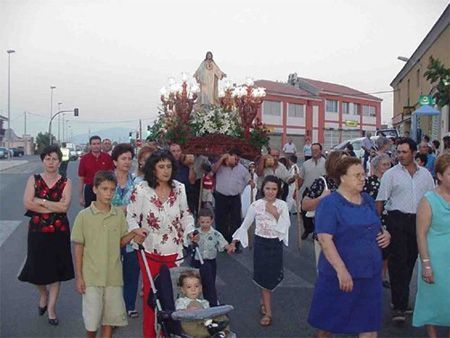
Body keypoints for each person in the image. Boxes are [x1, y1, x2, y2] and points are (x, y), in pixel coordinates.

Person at [308, 157, 391, 337]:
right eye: (357, 175)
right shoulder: (330, 204)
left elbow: (376, 226)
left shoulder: (368, 200)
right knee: (327, 326)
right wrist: (341, 270)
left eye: (363, 174)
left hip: (369, 274)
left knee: (369, 327)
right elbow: (325, 239)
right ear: (342, 178)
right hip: (340, 276)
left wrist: (385, 234)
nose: (363, 178)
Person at [126, 150, 195, 338]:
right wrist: (136, 230)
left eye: (169, 166)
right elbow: (131, 216)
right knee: (152, 298)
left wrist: (191, 232)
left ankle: (170, 334)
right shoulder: (141, 189)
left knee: (173, 296)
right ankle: (149, 334)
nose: (166, 171)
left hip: (174, 248)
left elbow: (186, 215)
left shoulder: (179, 188)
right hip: (149, 249)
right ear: (153, 169)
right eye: (161, 167)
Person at [71, 171, 147, 338]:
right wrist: (79, 277)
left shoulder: (118, 214)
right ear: (95, 189)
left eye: (112, 190)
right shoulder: (83, 216)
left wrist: (134, 233)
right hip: (92, 277)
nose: (108, 193)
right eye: (104, 189)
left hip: (113, 277)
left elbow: (120, 241)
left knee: (109, 321)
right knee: (92, 323)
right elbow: (78, 247)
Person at [376, 137, 435, 323]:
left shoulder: (425, 175)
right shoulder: (391, 174)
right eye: (398, 152)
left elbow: (431, 198)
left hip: (417, 221)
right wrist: (381, 225)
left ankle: (401, 298)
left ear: (414, 153)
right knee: (397, 262)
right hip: (397, 220)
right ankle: (399, 306)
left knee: (410, 260)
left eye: (404, 152)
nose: (400, 155)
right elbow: (380, 201)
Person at [18, 145, 75, 326]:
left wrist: (40, 201)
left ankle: (51, 309)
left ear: (60, 161)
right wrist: (52, 205)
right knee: (36, 268)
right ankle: (43, 293)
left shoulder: (66, 182)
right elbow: (27, 204)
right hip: (37, 232)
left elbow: (64, 207)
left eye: (55, 159)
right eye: (48, 158)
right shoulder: (33, 179)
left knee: (56, 271)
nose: (51, 162)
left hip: (59, 233)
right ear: (43, 160)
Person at [230, 175, 291, 327]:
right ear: (263, 189)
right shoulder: (256, 205)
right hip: (261, 245)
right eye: (268, 188)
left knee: (272, 277)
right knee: (263, 279)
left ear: (278, 190)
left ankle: (264, 299)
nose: (270, 192)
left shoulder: (282, 205)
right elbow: (245, 225)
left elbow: (285, 226)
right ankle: (268, 313)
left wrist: (275, 213)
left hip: (275, 246)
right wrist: (234, 242)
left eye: (274, 189)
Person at [413, 153, 450, 337]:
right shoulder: (428, 200)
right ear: (440, 176)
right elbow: (420, 234)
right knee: (432, 301)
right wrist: (426, 264)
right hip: (434, 258)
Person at [110, 143, 141, 319]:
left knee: (131, 269)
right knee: (112, 271)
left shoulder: (137, 182)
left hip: (130, 232)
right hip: (110, 232)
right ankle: (113, 305)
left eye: (130, 158)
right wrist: (124, 208)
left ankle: (129, 304)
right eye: (123, 158)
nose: (127, 162)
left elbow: (139, 207)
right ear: (115, 161)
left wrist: (123, 208)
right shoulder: (107, 181)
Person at [212, 148, 253, 244]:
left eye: (238, 159)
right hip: (221, 196)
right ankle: (221, 242)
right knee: (221, 219)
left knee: (235, 220)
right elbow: (213, 170)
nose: (236, 161)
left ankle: (234, 242)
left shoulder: (241, 168)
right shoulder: (220, 166)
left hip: (235, 197)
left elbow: (248, 178)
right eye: (235, 159)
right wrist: (222, 159)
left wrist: (251, 182)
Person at [363, 154, 392, 288]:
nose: (387, 167)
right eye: (384, 165)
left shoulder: (392, 180)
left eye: (388, 164)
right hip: (373, 219)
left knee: (386, 250)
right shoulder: (369, 182)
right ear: (376, 167)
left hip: (389, 218)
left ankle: (383, 276)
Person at [301, 150, 343, 241]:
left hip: (347, 234)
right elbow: (304, 205)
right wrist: (321, 198)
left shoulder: (352, 183)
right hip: (325, 234)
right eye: (344, 163)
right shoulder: (322, 182)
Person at [175, 270, 229, 338]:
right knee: (194, 303)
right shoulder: (181, 301)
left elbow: (211, 314)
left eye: (196, 286)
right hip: (192, 326)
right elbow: (177, 314)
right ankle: (212, 330)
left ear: (200, 288)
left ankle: (222, 333)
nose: (193, 289)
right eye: (189, 287)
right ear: (182, 290)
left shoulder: (204, 302)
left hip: (206, 325)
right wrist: (187, 310)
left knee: (221, 315)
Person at [187, 208, 232, 283]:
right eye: (202, 222)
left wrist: (228, 248)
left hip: (210, 261)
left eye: (207, 222)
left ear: (212, 221)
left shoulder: (215, 234)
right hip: (197, 260)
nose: (205, 224)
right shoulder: (195, 232)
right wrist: (191, 239)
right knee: (196, 280)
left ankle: (210, 294)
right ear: (198, 221)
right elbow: (188, 242)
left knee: (210, 281)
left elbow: (223, 243)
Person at [78, 135, 114, 208]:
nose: (96, 146)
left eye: (98, 144)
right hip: (89, 189)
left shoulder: (107, 158)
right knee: (90, 213)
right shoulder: (84, 159)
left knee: (105, 210)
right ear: (90, 145)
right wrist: (81, 197)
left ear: (101, 145)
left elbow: (112, 176)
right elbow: (81, 178)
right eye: (94, 144)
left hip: (105, 189)